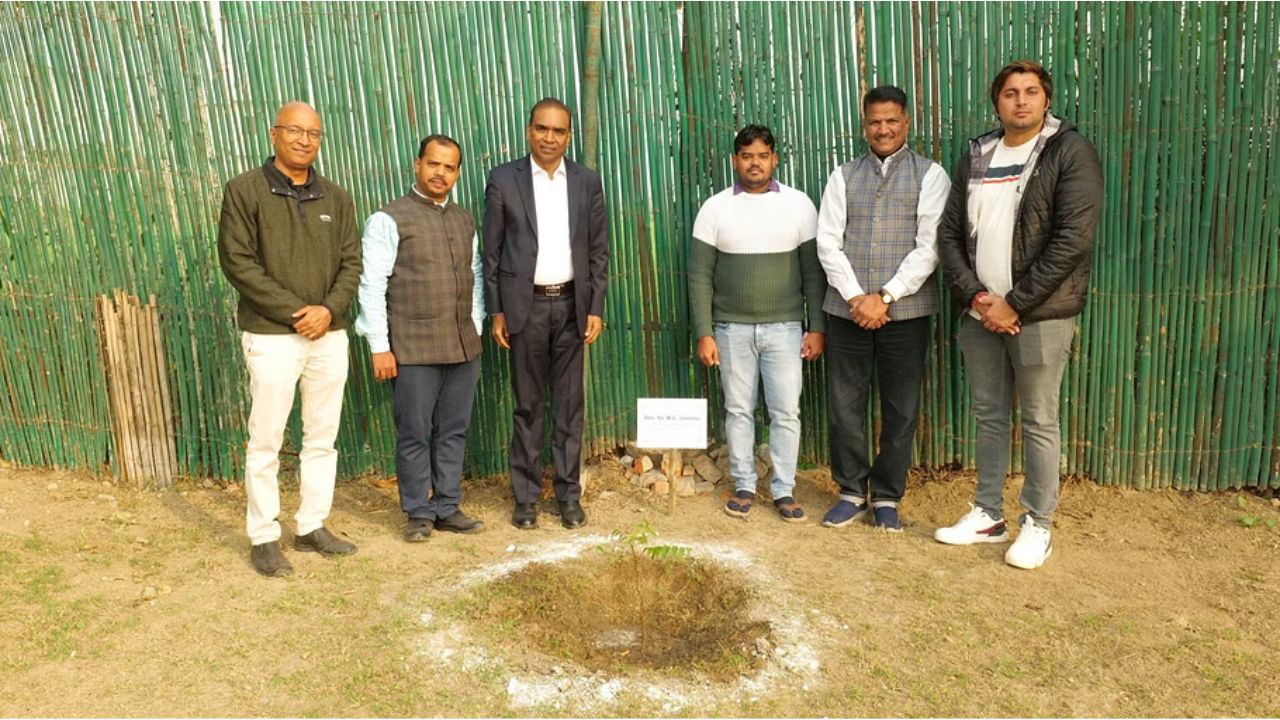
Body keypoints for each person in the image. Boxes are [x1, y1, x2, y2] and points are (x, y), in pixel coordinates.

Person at [935, 60, 1103, 569]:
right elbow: (948, 234)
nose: (1021, 101)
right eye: (1011, 93)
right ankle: (988, 513)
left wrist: (1016, 302)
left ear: (1046, 100)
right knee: (989, 415)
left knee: (1038, 418)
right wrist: (979, 299)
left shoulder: (1069, 151)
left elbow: (1073, 238)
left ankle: (1038, 522)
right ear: (997, 102)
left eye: (1031, 92)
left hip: (1040, 313)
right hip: (981, 311)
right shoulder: (978, 153)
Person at [217, 101, 362, 577]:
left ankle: (311, 525)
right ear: (273, 133)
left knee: (322, 436)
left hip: (329, 333)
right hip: (272, 335)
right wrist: (295, 313)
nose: (305, 140)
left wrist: (328, 310)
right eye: (295, 131)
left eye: (314, 134)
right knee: (266, 439)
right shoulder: (244, 191)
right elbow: (238, 262)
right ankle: (263, 535)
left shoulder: (337, 198)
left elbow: (351, 264)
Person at [815, 86, 949, 532]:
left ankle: (888, 496)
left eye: (892, 120)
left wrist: (886, 296)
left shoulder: (931, 175)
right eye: (875, 121)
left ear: (906, 122)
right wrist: (857, 298)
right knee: (844, 404)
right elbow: (827, 242)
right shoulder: (843, 176)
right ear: (865, 125)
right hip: (847, 310)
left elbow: (929, 247)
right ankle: (852, 491)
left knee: (901, 407)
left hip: (905, 313)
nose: (884, 129)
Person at [688, 124, 827, 523]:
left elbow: (813, 274)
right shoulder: (715, 208)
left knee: (785, 412)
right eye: (746, 156)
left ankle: (784, 490)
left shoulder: (799, 205)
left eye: (762, 155)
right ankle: (745, 485)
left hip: (784, 328)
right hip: (730, 330)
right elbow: (699, 274)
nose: (754, 163)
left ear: (774, 159)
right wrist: (705, 332)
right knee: (738, 410)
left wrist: (815, 326)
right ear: (736, 160)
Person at [483, 97, 609, 530]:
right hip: (526, 308)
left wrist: (595, 306)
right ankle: (526, 498)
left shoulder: (587, 182)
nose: (549, 138)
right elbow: (492, 254)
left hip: (572, 306)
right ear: (529, 130)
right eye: (542, 129)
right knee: (528, 407)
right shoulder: (504, 180)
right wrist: (498, 310)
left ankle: (569, 496)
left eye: (558, 131)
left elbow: (597, 252)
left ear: (568, 135)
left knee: (570, 408)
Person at [355, 134, 487, 543]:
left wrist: (476, 325)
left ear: (457, 173)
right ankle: (418, 512)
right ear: (417, 165)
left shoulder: (464, 219)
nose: (440, 173)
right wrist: (380, 345)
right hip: (412, 348)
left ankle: (447, 506)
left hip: (462, 346)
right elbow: (371, 283)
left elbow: (476, 276)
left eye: (449, 167)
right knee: (414, 432)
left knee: (453, 429)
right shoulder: (389, 219)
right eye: (433, 164)